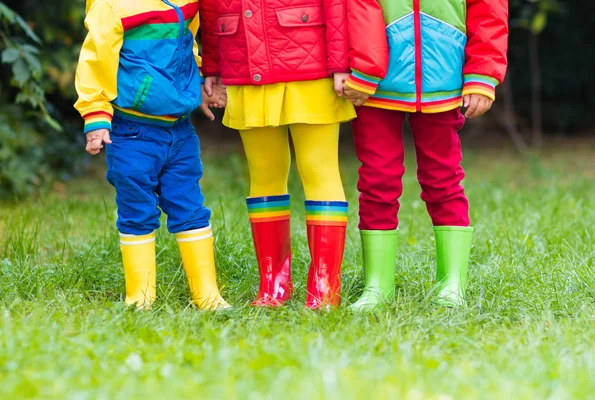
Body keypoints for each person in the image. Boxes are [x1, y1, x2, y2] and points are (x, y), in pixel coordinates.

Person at [343, 0, 509, 310]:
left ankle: (452, 283)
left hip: (444, 81)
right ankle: (377, 285)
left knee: (443, 179)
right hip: (374, 86)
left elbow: (489, 13)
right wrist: (358, 67)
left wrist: (482, 74)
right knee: (377, 179)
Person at [74, 0, 230, 310]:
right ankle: (140, 297)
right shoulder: (112, 6)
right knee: (137, 211)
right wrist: (95, 116)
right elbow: (94, 63)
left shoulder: (187, 2)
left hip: (180, 132)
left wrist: (197, 82)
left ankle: (208, 295)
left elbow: (185, 43)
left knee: (190, 206)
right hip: (132, 133)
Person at [200, 0, 356, 308]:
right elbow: (210, 9)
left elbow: (337, 5)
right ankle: (273, 283)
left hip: (311, 62)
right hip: (244, 66)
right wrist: (213, 67)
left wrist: (341, 62)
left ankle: (325, 286)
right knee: (264, 174)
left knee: (319, 170)